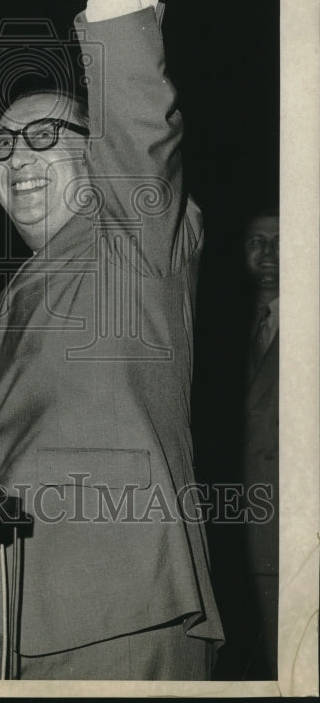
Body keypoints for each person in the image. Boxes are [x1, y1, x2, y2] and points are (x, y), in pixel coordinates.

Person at [0, 0, 224, 679]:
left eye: (44, 139)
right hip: (10, 612)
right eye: (1, 149)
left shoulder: (137, 245)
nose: (16, 161)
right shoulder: (8, 305)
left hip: (118, 606)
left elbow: (137, 121)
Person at [241, 208, 279, 678]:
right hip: (231, 531)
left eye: (279, 240)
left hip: (288, 538)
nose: (268, 252)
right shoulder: (216, 329)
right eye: (256, 240)